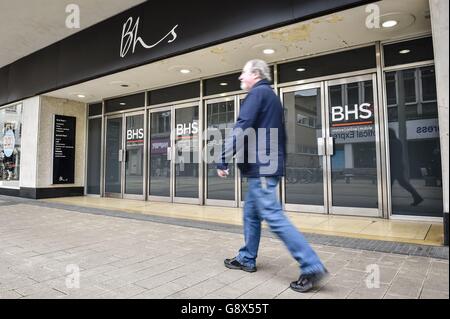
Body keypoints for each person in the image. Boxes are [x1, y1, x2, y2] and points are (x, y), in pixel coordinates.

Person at [217, 59, 327, 293]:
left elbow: (242, 126)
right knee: (251, 214)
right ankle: (246, 257)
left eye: (243, 73)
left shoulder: (258, 95)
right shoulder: (270, 96)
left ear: (255, 74)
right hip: (265, 165)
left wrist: (222, 157)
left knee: (274, 217)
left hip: (263, 167)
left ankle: (312, 265)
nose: (240, 78)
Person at [388, 128, 423, 206]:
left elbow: (391, 155)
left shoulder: (390, 142)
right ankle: (417, 197)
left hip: (393, 166)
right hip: (399, 166)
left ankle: (384, 201)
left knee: (389, 184)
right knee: (402, 183)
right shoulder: (398, 142)